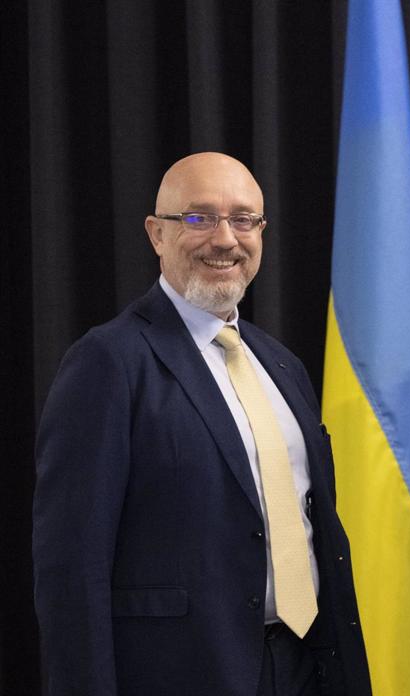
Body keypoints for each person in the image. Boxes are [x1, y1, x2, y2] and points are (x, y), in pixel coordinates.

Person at [34, 153, 371, 696]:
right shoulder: (108, 362)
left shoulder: (282, 365)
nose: (225, 239)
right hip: (183, 673)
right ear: (157, 234)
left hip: (306, 666)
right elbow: (72, 568)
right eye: (199, 218)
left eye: (243, 219)